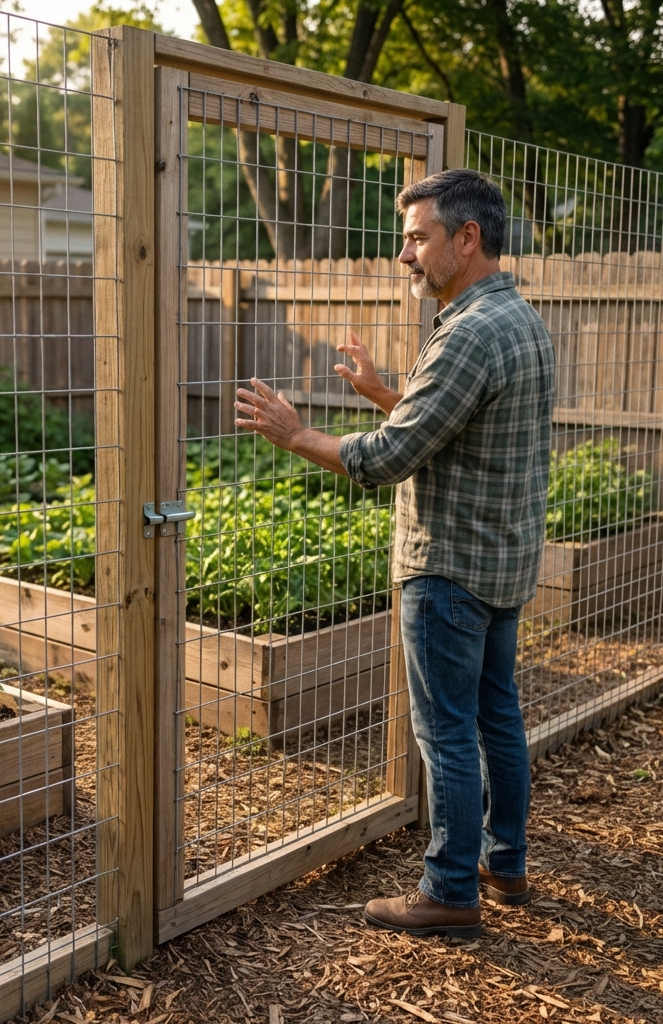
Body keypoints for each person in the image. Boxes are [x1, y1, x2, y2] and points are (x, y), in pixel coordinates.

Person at [233, 168, 555, 938]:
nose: (404, 255)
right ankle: (504, 865)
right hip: (502, 561)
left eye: (418, 237)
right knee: (497, 717)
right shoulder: (518, 319)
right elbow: (458, 425)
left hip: (449, 566)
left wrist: (296, 433)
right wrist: (388, 394)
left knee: (446, 730)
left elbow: (386, 460)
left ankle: (449, 891)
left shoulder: (468, 332)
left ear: (466, 238)